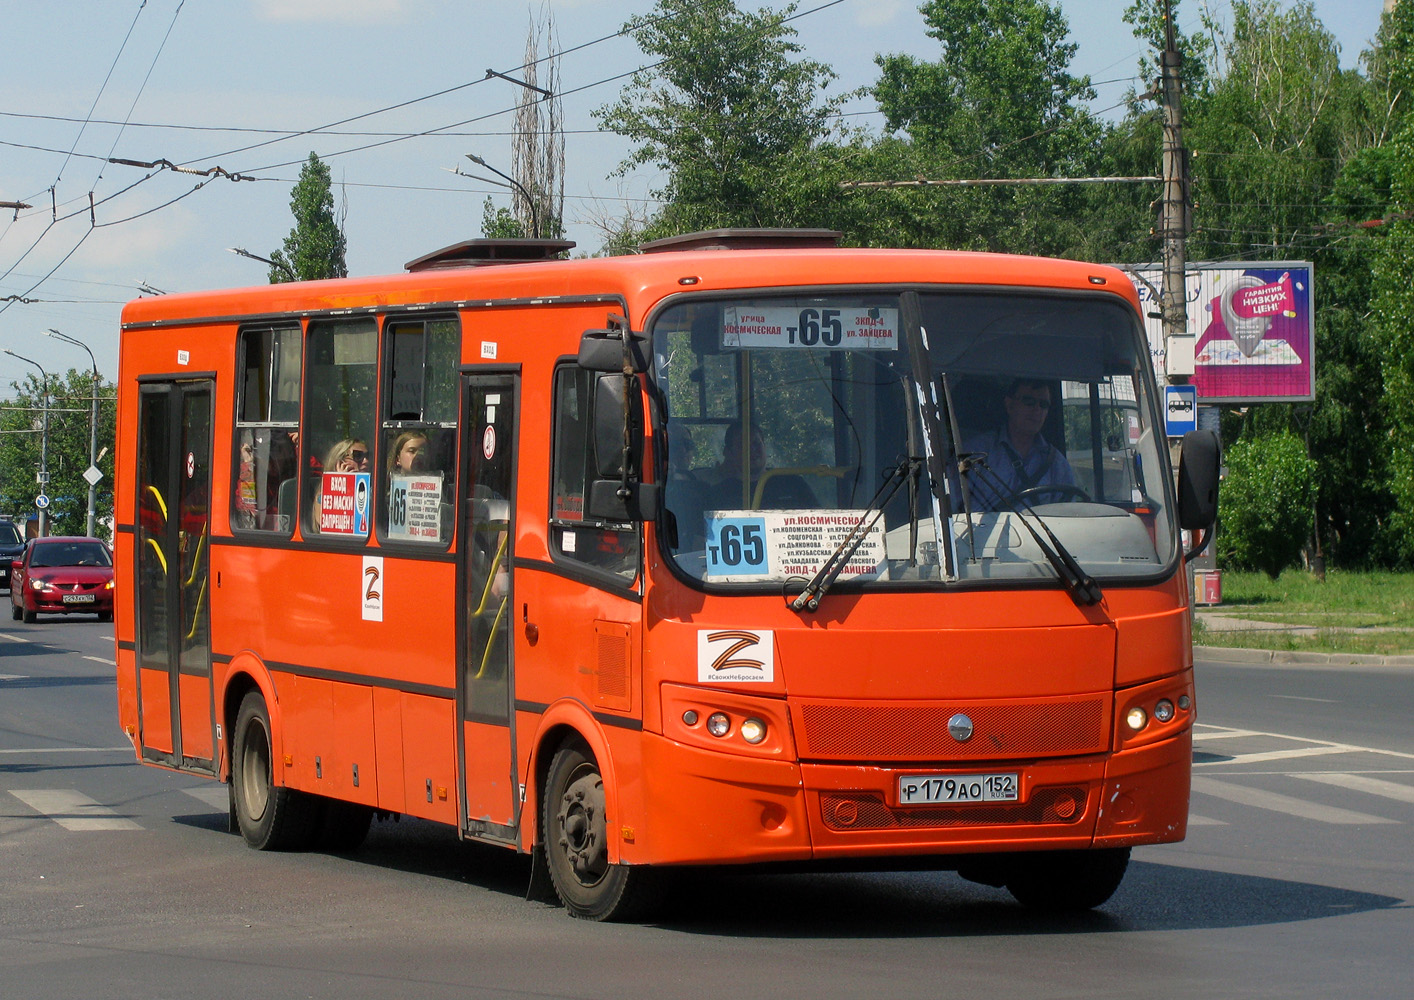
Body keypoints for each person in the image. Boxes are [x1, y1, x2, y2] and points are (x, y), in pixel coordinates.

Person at [960, 378, 1075, 511]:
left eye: (1043, 404)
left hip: (1040, 531)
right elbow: (953, 512)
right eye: (1029, 402)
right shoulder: (974, 452)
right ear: (1009, 405)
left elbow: (1068, 514)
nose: (1037, 410)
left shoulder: (1057, 463)